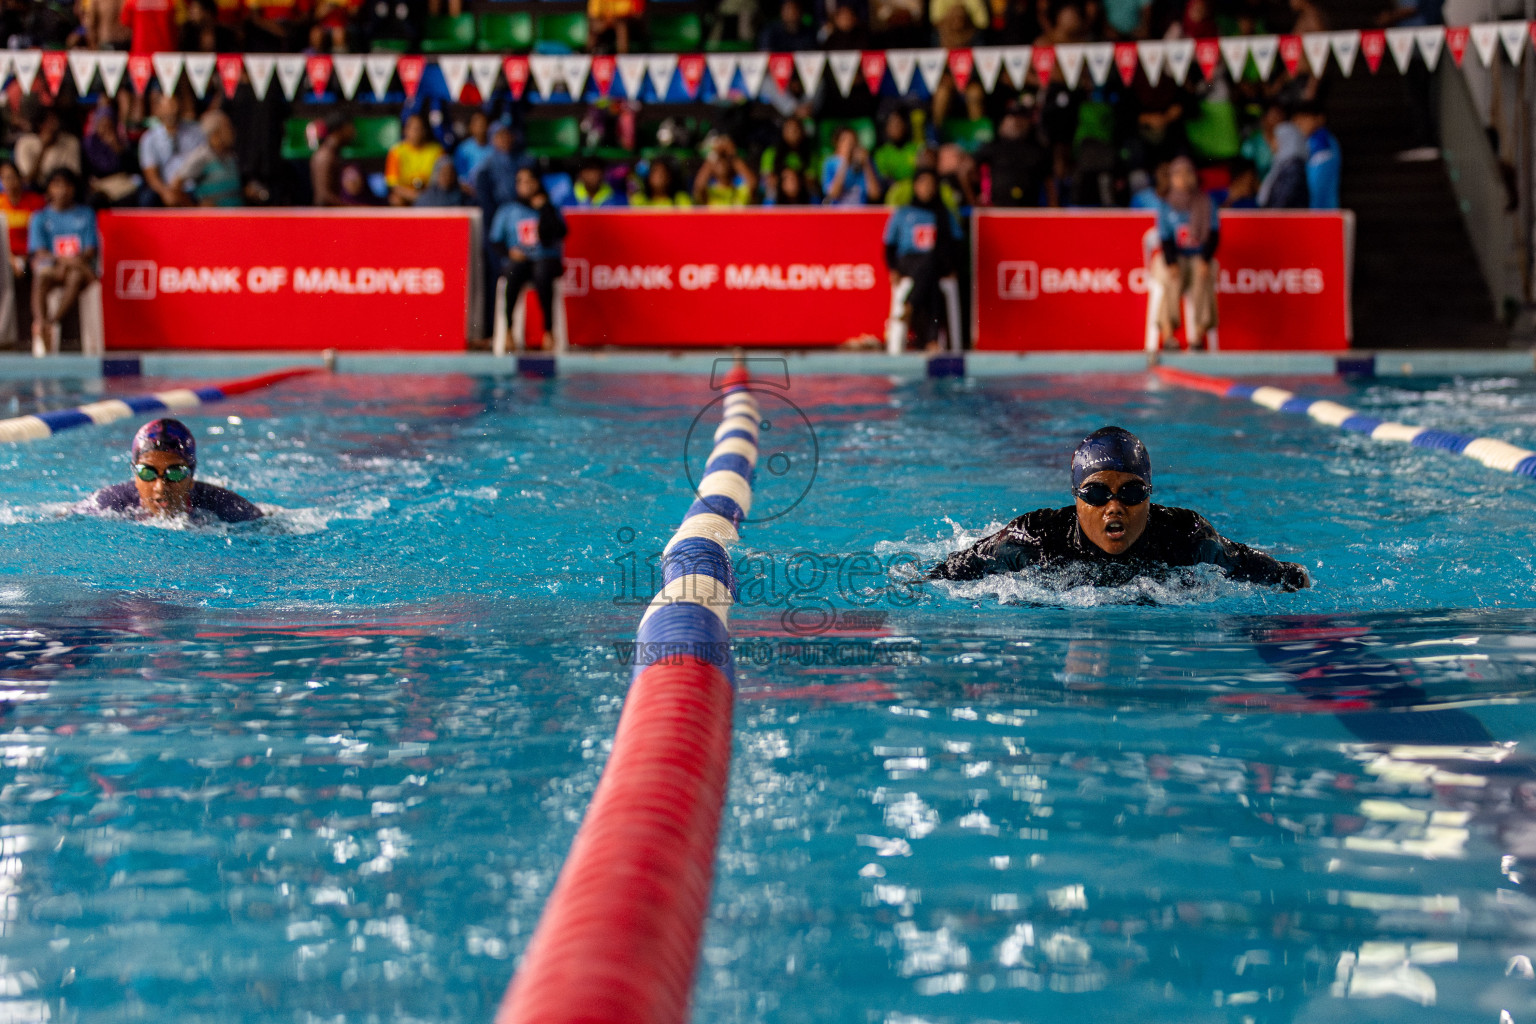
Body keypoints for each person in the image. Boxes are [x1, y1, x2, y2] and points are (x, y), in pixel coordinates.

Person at [929, 427, 1309, 589]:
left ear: (1149, 495)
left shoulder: (1186, 538)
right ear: (1076, 497)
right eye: (1096, 494)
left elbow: (1242, 561)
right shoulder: (1035, 539)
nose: (1114, 507)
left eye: (1130, 493)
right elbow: (955, 570)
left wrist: (1291, 576)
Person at [79, 419, 263, 523]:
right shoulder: (106, 504)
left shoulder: (227, 507)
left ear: (191, 477)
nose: (160, 487)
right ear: (135, 475)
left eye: (175, 473)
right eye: (147, 473)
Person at [489, 167, 568, 351]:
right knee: (513, 271)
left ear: (537, 183)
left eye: (529, 181)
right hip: (520, 260)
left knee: (542, 272)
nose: (525, 185)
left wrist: (545, 208)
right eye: (521, 181)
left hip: (546, 259)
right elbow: (495, 241)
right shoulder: (508, 210)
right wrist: (510, 252)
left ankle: (549, 331)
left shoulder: (549, 207)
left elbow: (560, 233)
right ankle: (509, 330)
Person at [884, 168, 960, 350]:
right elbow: (889, 245)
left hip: (935, 262)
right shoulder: (903, 213)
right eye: (923, 183)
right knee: (929, 267)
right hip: (908, 260)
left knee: (931, 265)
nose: (927, 188)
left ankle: (910, 304)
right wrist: (892, 268)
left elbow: (956, 243)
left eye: (931, 184)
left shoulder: (943, 214)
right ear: (916, 186)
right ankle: (931, 340)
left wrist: (952, 266)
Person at [28, 170, 99, 357]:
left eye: (67, 185)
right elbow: (40, 251)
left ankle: (53, 322)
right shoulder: (40, 218)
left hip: (78, 271)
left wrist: (68, 265)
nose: (62, 190)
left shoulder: (86, 214)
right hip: (53, 268)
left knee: (75, 276)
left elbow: (90, 249)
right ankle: (41, 323)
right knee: (41, 275)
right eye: (57, 185)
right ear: (49, 189)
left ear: (74, 189)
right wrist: (64, 262)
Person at [1152, 155, 1219, 351]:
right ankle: (1168, 334)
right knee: (1169, 276)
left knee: (1203, 275)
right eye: (1178, 174)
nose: (1183, 179)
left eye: (1187, 173)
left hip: (1199, 255)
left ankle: (1198, 334)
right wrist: (1172, 262)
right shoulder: (1165, 204)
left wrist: (1205, 260)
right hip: (1175, 255)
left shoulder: (1205, 203)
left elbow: (1214, 235)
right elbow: (1165, 238)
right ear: (1171, 178)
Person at [139, 89, 206, 208]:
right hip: (164, 188)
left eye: (173, 105)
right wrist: (165, 191)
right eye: (167, 106)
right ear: (158, 110)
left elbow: (202, 162)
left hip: (193, 185)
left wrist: (180, 183)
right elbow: (151, 174)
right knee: (147, 199)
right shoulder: (149, 139)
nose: (171, 111)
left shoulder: (195, 132)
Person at [172, 111, 243, 207]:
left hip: (237, 215)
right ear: (215, 134)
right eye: (227, 128)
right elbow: (176, 185)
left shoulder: (232, 155)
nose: (232, 131)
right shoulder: (202, 156)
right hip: (213, 218)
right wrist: (193, 210)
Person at [14, 104, 82, 191]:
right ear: (40, 125)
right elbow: (28, 179)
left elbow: (75, 175)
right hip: (36, 189)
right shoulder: (25, 143)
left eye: (55, 120)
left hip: (64, 190)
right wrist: (44, 148)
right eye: (50, 121)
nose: (55, 124)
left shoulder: (71, 142)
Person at [385, 114, 445, 207]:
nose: (416, 132)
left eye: (420, 128)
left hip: (430, 193)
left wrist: (425, 196)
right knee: (395, 200)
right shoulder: (396, 152)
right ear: (406, 130)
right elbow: (393, 185)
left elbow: (442, 181)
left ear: (425, 131)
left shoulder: (437, 151)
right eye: (413, 129)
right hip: (406, 193)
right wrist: (414, 196)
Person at [1293, 102, 1341, 210]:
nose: (1298, 124)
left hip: (1321, 211)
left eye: (1304, 118)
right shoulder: (1310, 141)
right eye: (1296, 120)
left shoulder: (1321, 142)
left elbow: (1317, 185)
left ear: (1319, 119)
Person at [821, 126, 882, 205]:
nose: (850, 146)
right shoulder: (829, 163)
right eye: (845, 141)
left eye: (852, 142)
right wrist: (845, 162)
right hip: (838, 213)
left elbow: (875, 194)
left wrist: (867, 164)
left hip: (860, 212)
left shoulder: (864, 163)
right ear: (836, 143)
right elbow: (833, 194)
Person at [1257, 121, 1309, 209]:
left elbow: (1283, 199)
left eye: (1275, 138)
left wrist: (1271, 217)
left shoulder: (1293, 168)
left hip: (1287, 220)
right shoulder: (1282, 165)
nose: (1271, 144)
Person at [692, 136, 757, 207]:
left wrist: (732, 156)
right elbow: (699, 187)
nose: (722, 163)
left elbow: (752, 184)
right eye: (719, 161)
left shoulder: (740, 192)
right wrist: (713, 156)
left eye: (725, 160)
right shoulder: (711, 194)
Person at [310, 113, 354, 207]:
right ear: (339, 130)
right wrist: (354, 209)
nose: (353, 132)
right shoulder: (325, 157)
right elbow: (323, 197)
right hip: (324, 217)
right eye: (349, 128)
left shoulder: (333, 154)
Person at [873, 110, 921, 187]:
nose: (895, 128)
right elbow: (884, 179)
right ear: (886, 128)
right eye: (892, 124)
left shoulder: (916, 149)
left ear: (905, 126)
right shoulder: (881, 154)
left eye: (898, 124)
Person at [453, 110, 492, 182]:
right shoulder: (463, 149)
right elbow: (461, 176)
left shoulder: (495, 147)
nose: (481, 127)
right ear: (471, 127)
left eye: (483, 123)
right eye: (477, 124)